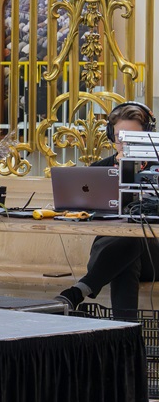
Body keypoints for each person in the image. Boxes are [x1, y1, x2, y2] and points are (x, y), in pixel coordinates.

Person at [54, 101, 159, 318]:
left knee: (133, 238)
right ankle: (127, 343)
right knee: (126, 260)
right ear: (112, 135)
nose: (124, 142)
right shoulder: (98, 170)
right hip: (107, 252)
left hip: (153, 254)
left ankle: (79, 291)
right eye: (120, 136)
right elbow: (84, 214)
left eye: (133, 136)